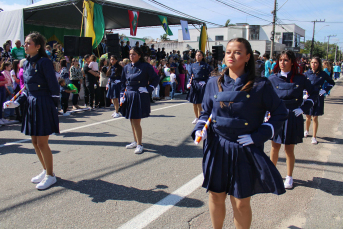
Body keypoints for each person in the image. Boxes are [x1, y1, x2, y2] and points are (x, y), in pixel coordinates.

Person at [192, 38, 288, 229]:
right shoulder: (213, 83)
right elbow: (205, 113)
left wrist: (259, 134)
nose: (231, 56)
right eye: (228, 52)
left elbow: (280, 113)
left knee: (241, 202)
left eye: (237, 52)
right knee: (216, 195)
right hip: (217, 147)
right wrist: (199, 128)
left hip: (244, 148)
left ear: (247, 57)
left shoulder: (260, 85)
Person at [3, 32, 60, 190]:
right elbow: (26, 89)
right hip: (31, 104)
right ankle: (45, 170)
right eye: (26, 43)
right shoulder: (26, 63)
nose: (25, 45)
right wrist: (15, 102)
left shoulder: (44, 62)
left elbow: (54, 87)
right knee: (34, 142)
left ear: (38, 46)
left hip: (43, 103)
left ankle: (51, 176)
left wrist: (52, 107)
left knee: (42, 143)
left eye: (28, 43)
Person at [268, 50, 318, 189]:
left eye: (286, 60)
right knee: (274, 147)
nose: (282, 63)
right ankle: (273, 174)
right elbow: (265, 97)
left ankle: (289, 177)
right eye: (280, 60)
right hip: (277, 115)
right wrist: (266, 112)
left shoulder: (300, 79)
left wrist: (304, 108)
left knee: (289, 149)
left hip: (292, 115)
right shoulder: (272, 79)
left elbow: (314, 93)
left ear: (292, 62)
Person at [120, 47, 159, 154]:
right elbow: (123, 82)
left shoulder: (145, 66)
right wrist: (121, 95)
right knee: (131, 120)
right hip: (129, 95)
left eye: (134, 54)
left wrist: (148, 88)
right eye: (130, 54)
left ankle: (139, 144)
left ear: (139, 55)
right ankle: (135, 140)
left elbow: (156, 78)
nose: (131, 56)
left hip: (139, 95)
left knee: (136, 121)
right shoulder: (126, 67)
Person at [304, 57, 335, 144]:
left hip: (318, 97)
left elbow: (332, 82)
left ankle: (314, 137)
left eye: (315, 63)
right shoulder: (307, 73)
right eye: (312, 62)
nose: (313, 64)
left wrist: (325, 90)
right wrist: (304, 93)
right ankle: (306, 130)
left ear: (319, 64)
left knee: (315, 117)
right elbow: (301, 84)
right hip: (308, 97)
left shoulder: (323, 73)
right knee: (308, 117)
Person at [187, 50, 211, 124]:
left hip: (201, 84)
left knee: (200, 102)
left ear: (202, 56)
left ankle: (201, 117)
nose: (198, 56)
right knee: (194, 102)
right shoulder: (192, 65)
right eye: (197, 55)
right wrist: (189, 83)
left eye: (199, 55)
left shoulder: (206, 65)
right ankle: (196, 117)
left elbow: (210, 75)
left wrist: (205, 82)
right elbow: (190, 75)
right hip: (194, 84)